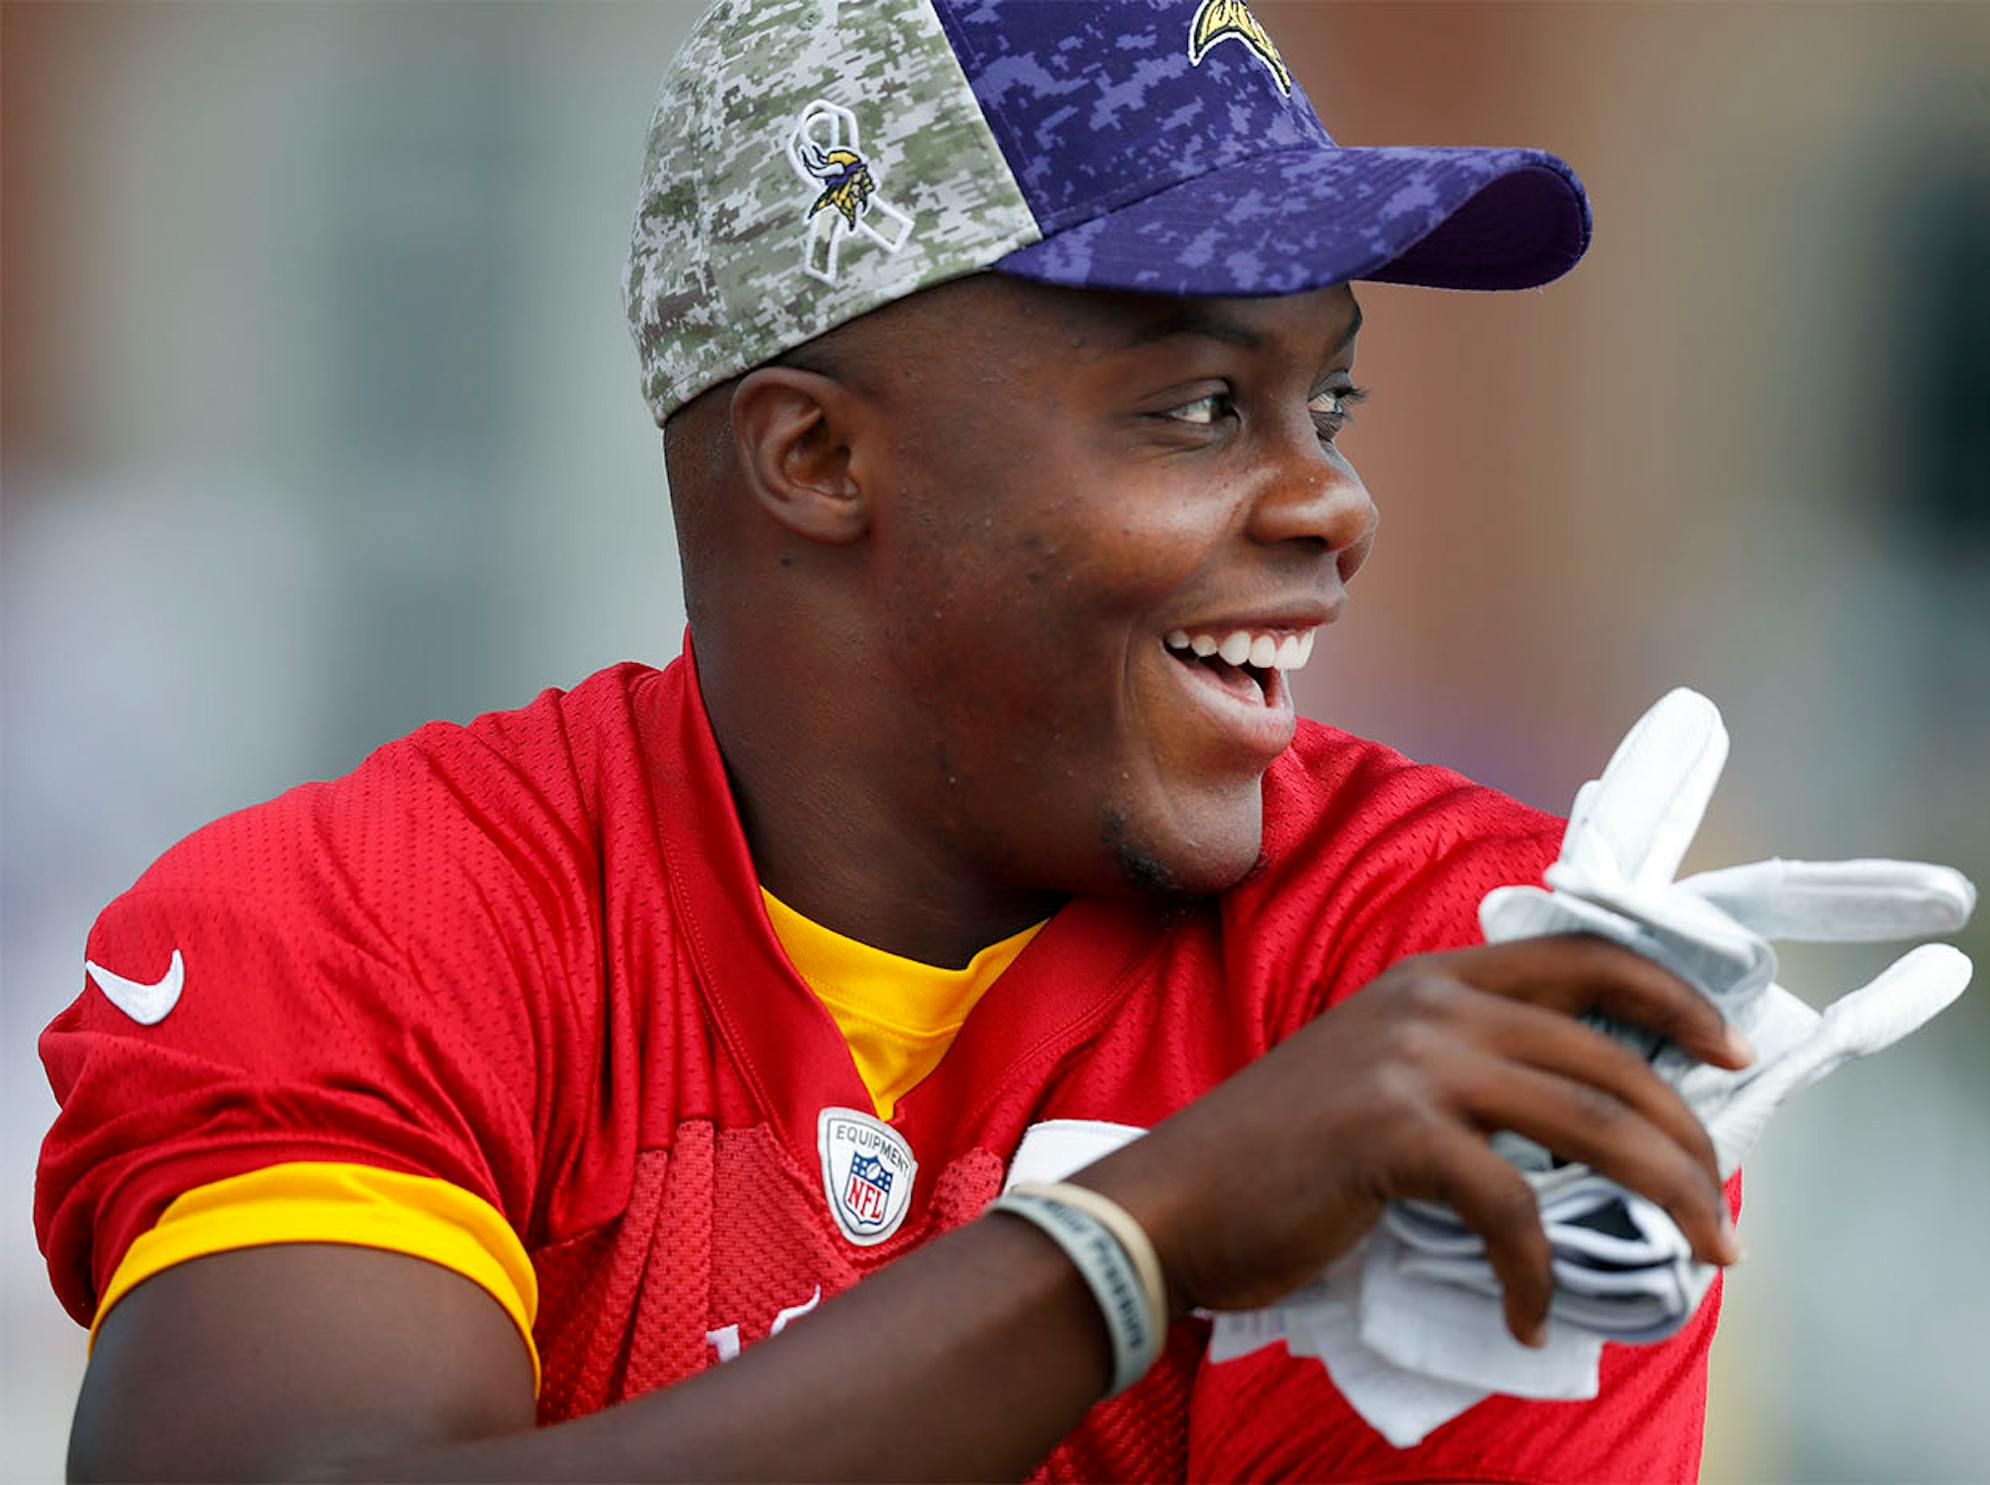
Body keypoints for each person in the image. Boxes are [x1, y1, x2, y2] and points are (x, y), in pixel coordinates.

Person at [37, 2, 1753, 1479]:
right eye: (1204, 406)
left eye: (1335, 402)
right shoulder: (379, 918)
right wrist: (1133, 1247)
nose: (1334, 500)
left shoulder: (1446, 948)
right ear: (818, 458)